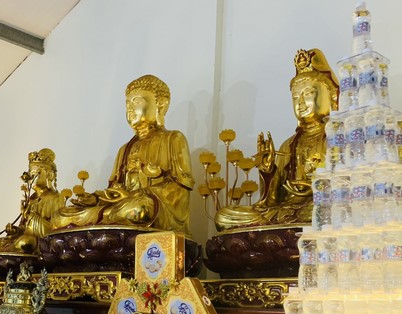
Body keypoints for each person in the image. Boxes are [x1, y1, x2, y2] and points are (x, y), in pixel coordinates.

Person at [51, 75, 194, 235]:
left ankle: (104, 221)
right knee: (60, 216)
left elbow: (178, 190)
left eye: (137, 102)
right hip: (121, 207)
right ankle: (107, 220)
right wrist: (97, 198)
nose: (130, 109)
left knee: (140, 209)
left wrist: (134, 195)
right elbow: (114, 190)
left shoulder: (173, 139)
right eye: (127, 104)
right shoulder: (124, 149)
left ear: (161, 103)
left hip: (146, 208)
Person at [215, 48, 339, 231]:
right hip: (285, 211)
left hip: (320, 205)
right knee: (224, 216)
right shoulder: (289, 145)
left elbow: (350, 185)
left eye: (308, 94)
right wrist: (268, 171)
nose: (300, 103)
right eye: (295, 97)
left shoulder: (339, 138)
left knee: (329, 212)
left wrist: (317, 188)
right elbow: (272, 201)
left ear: (331, 96)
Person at [0, 148, 64, 254]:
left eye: (34, 174)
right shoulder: (31, 198)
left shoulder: (55, 198)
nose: (30, 177)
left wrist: (31, 216)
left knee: (26, 242)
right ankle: (10, 248)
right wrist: (15, 231)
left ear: (49, 175)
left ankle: (10, 249)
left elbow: (54, 230)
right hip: (22, 239)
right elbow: (24, 229)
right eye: (30, 174)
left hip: (38, 242)